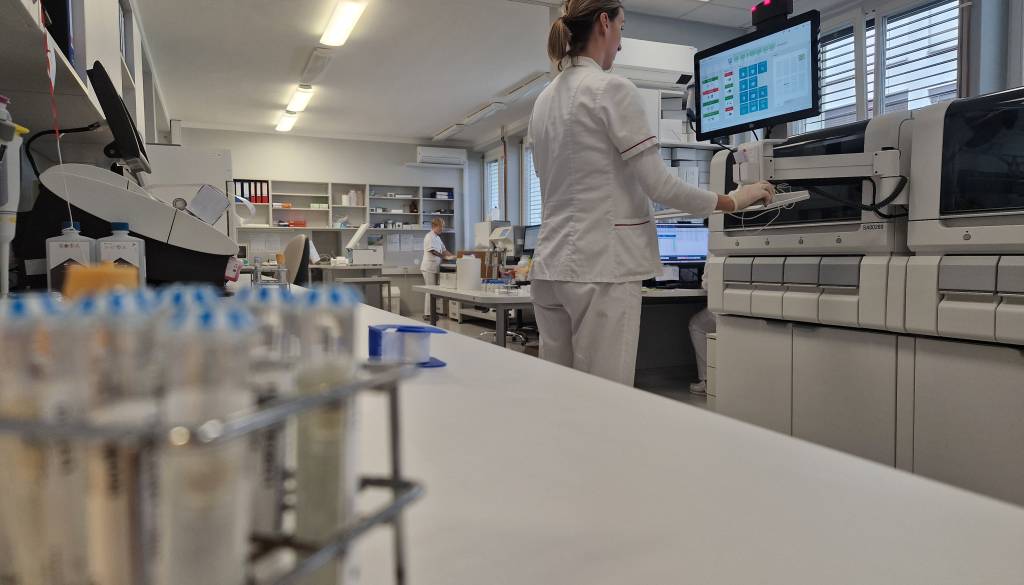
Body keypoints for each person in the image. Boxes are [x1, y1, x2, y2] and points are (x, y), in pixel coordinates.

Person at [527, 0, 774, 386]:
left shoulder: (544, 100)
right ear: (604, 22)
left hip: (550, 270)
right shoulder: (611, 88)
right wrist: (733, 200)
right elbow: (660, 185)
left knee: (559, 393)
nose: (621, 43)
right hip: (601, 270)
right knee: (604, 398)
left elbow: (551, 180)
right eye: (622, 28)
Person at [421, 218, 455, 319]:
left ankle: (432, 312)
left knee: (433, 291)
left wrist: (454, 256)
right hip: (428, 267)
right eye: (441, 227)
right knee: (430, 290)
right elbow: (433, 251)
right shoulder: (429, 236)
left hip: (434, 267)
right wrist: (445, 257)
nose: (442, 229)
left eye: (443, 227)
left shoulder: (437, 238)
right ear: (434, 226)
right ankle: (428, 314)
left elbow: (444, 250)